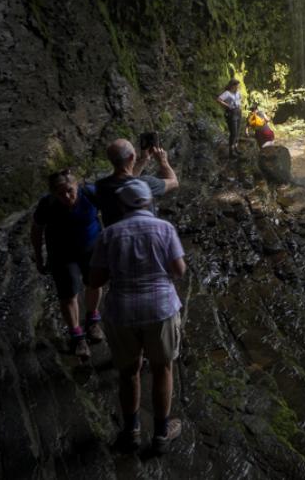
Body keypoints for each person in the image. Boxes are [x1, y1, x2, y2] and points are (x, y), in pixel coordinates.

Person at [90, 179, 186, 454]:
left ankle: (131, 431)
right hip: (160, 309)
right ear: (148, 201)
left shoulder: (109, 234)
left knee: (128, 373)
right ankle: (160, 435)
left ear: (122, 205)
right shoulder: (164, 228)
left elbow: (95, 279)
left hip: (121, 312)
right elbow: (179, 270)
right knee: (162, 369)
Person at [30, 168, 104, 360]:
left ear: (77, 186)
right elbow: (37, 230)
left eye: (70, 190)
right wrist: (38, 256)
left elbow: (112, 209)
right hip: (62, 253)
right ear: (53, 193)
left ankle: (92, 320)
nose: (67, 196)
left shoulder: (90, 193)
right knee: (68, 293)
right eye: (60, 193)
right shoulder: (47, 204)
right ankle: (77, 335)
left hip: (91, 247)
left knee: (94, 283)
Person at [95, 139, 179, 228]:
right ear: (131, 157)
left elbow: (126, 180)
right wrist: (163, 161)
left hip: (116, 238)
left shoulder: (101, 186)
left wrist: (144, 160)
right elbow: (174, 182)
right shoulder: (145, 184)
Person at [215, 79, 243, 155]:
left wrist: (240, 105)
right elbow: (218, 99)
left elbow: (240, 99)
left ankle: (236, 148)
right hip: (231, 113)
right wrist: (227, 106)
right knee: (233, 132)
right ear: (232, 86)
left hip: (238, 112)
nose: (238, 87)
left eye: (238, 86)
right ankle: (231, 151)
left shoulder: (237, 93)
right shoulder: (227, 93)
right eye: (237, 86)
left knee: (237, 132)